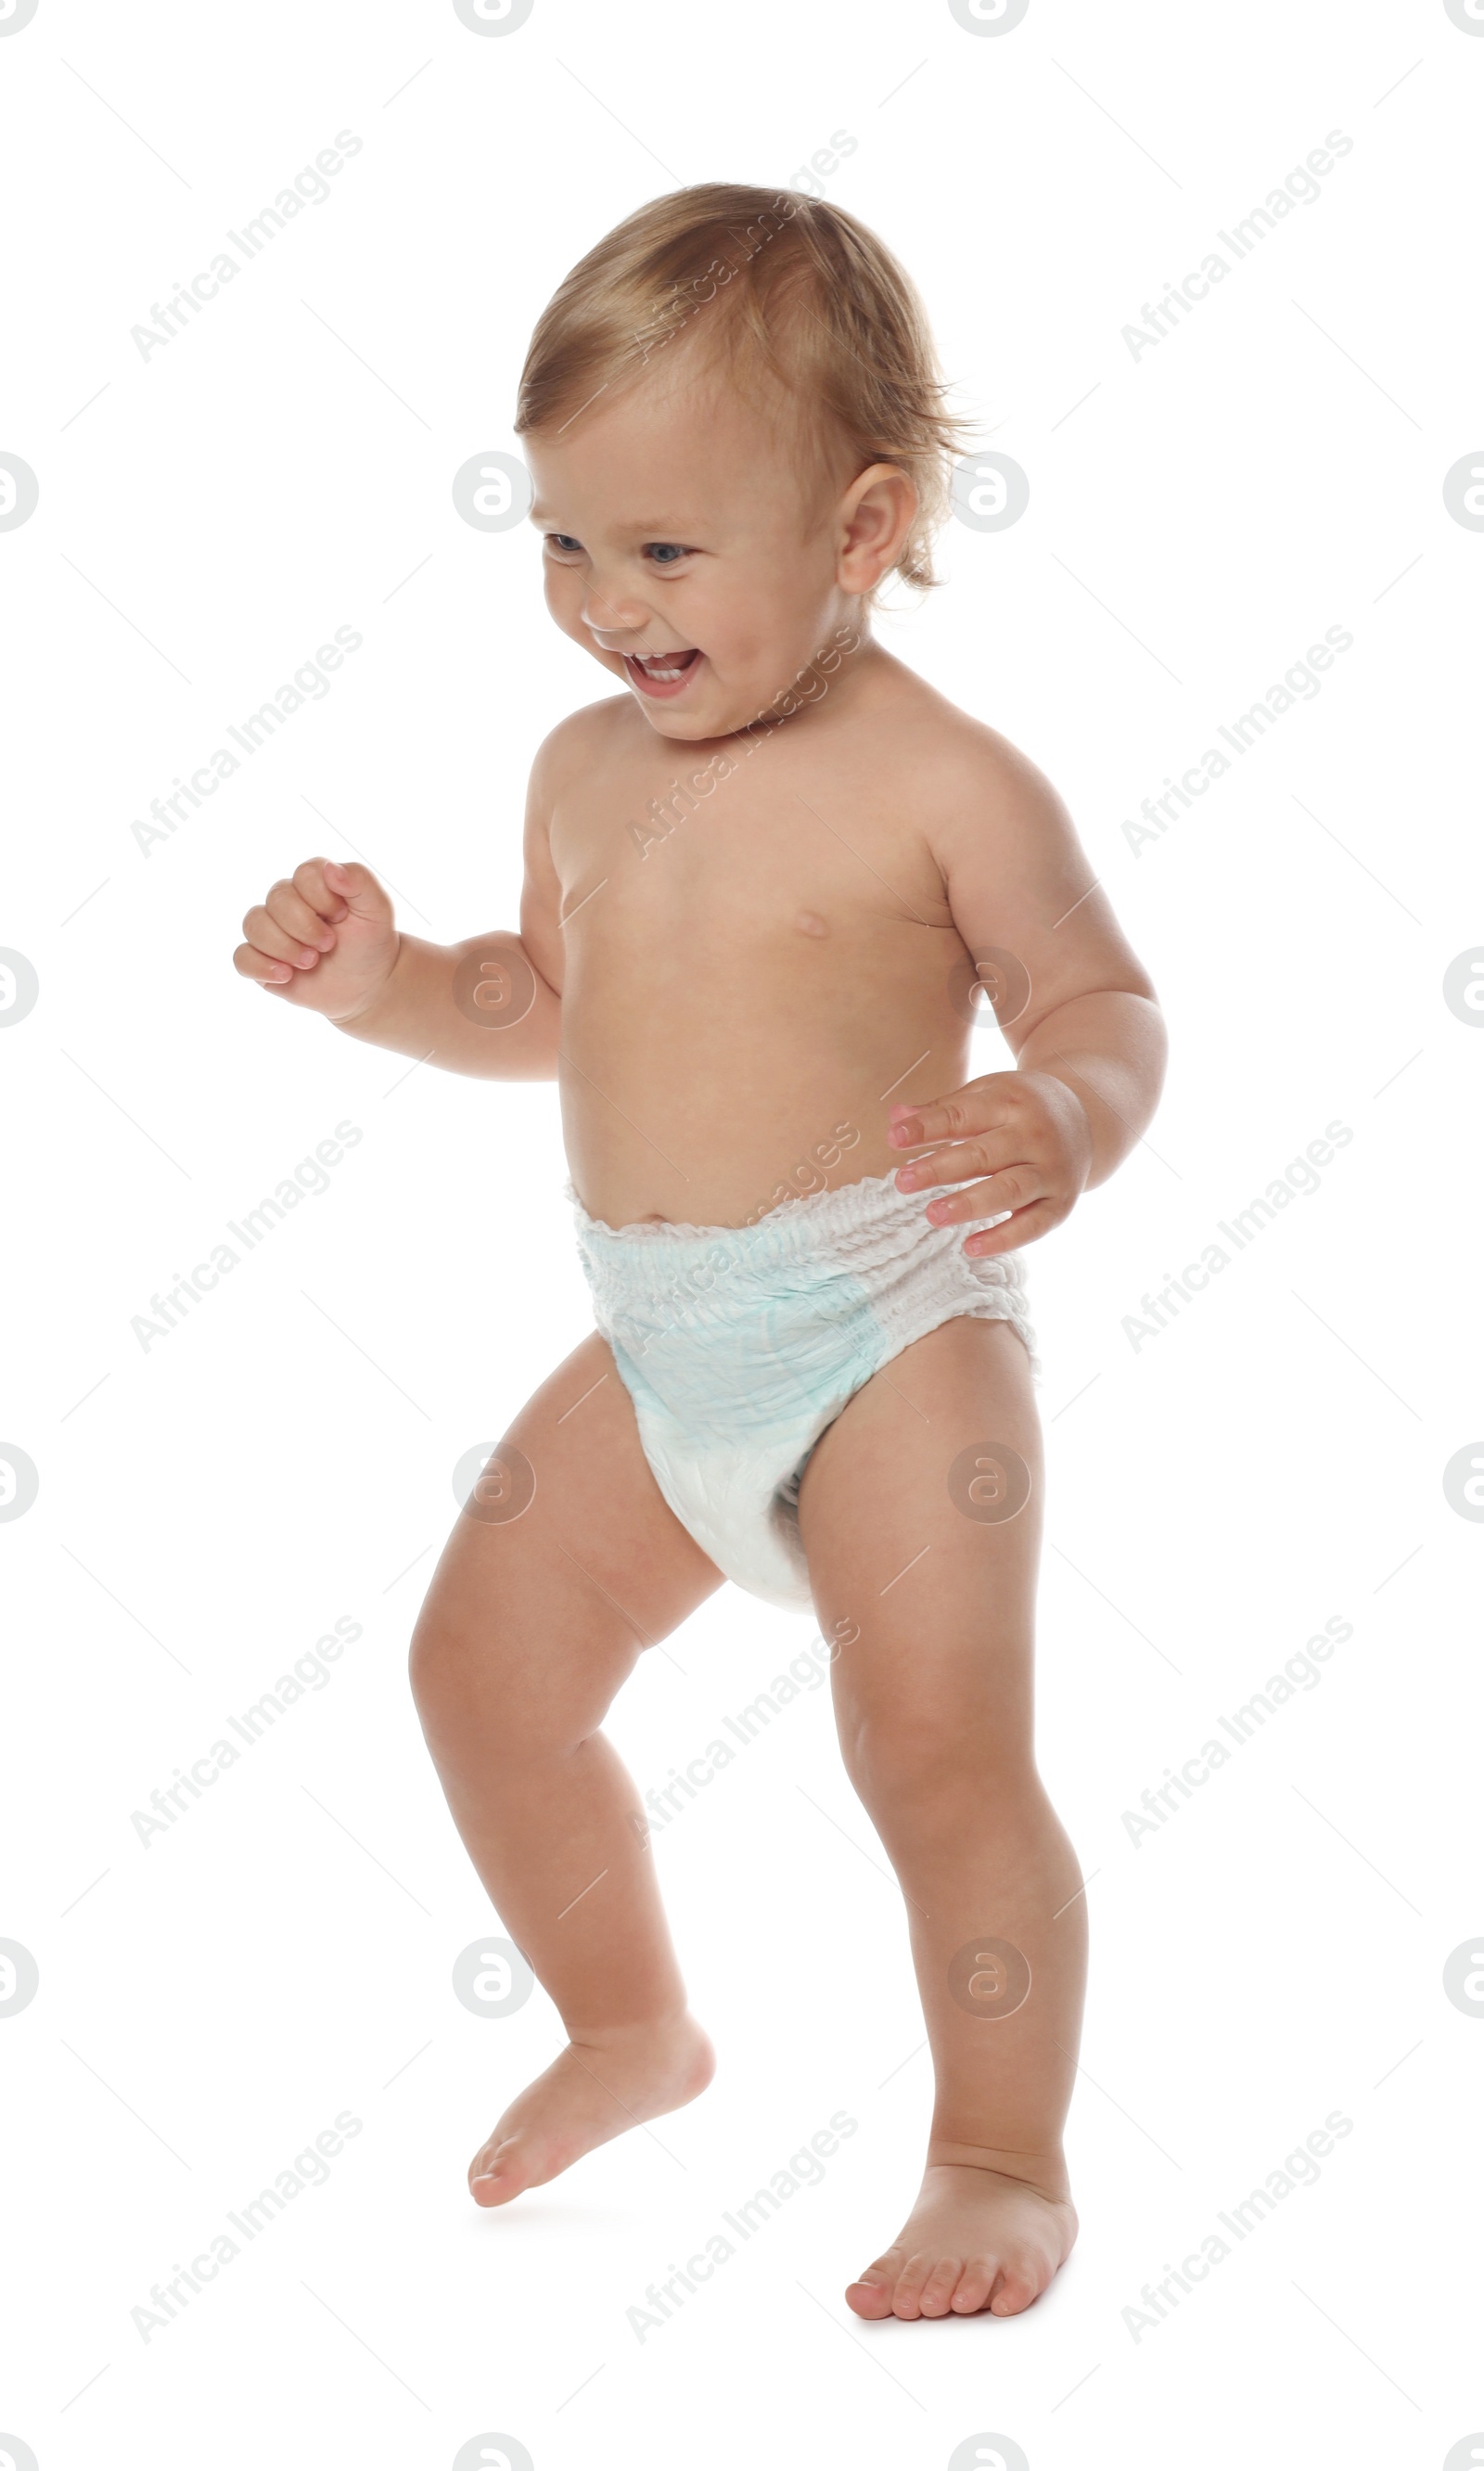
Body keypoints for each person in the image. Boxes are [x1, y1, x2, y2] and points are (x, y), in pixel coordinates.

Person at [234, 184, 1166, 2323]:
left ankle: (998, 2153)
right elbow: (542, 1005)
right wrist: (386, 985)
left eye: (664, 553)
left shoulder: (938, 779)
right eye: (561, 539)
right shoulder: (580, 768)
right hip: (664, 1352)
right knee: (481, 1670)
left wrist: (1060, 1120)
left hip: (885, 1326)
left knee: (931, 1756)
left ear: (856, 533)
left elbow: (1106, 1008)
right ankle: (628, 2022)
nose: (598, 604)